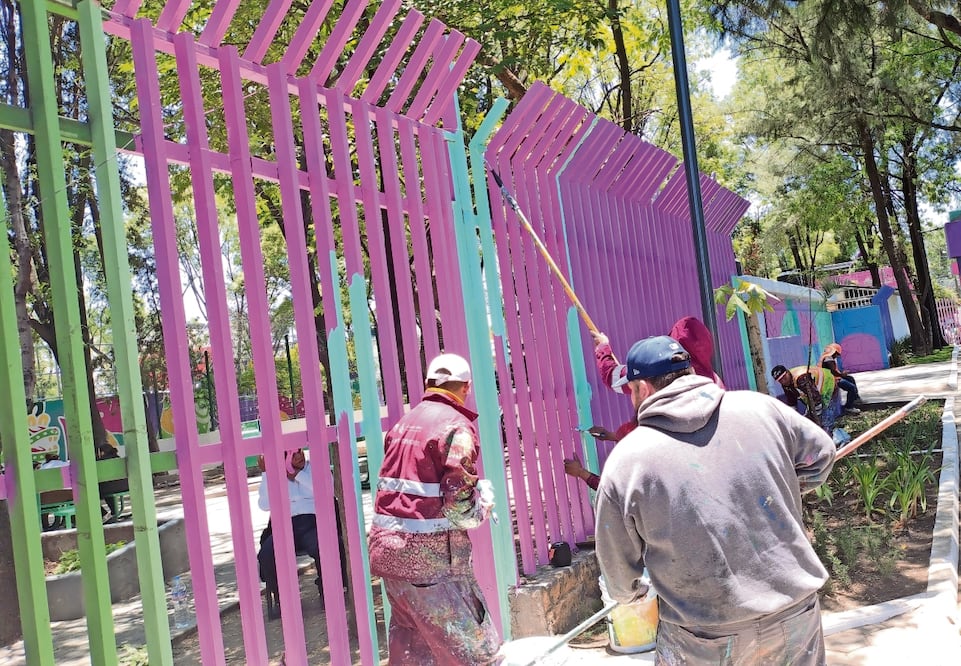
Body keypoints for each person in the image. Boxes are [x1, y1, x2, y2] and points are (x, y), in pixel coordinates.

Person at [594, 336, 836, 665]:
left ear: (642, 389)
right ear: (689, 372)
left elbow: (618, 571)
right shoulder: (761, 408)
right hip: (794, 612)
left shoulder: (627, 461)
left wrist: (631, 594)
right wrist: (780, 489)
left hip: (703, 636)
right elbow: (822, 454)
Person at [367, 353, 501, 665]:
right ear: (466, 387)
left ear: (428, 385)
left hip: (388, 555)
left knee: (412, 649)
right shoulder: (456, 428)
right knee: (471, 650)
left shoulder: (404, 423)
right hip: (428, 563)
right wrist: (483, 505)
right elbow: (460, 508)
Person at [257, 447, 345, 620]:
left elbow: (328, 491)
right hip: (285, 526)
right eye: (292, 452)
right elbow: (265, 504)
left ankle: (327, 590)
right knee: (267, 554)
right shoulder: (274, 474)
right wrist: (267, 474)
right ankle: (283, 596)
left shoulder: (316, 468)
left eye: (300, 450)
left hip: (314, 522)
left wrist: (297, 475)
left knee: (325, 546)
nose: (300, 455)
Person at [771, 364, 842, 431]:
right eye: (780, 380)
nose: (783, 381)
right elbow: (792, 401)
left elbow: (816, 399)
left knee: (826, 418)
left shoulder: (801, 378)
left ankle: (833, 438)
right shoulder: (785, 384)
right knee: (812, 418)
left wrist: (816, 417)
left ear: (787, 372)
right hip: (815, 391)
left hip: (827, 383)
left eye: (784, 377)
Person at [820, 343, 861, 415]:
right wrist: (842, 374)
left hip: (833, 377)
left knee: (850, 378)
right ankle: (849, 407)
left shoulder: (826, 357)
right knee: (851, 388)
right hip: (832, 380)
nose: (837, 356)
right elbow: (833, 371)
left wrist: (842, 374)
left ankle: (855, 398)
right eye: (837, 354)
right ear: (834, 352)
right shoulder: (828, 358)